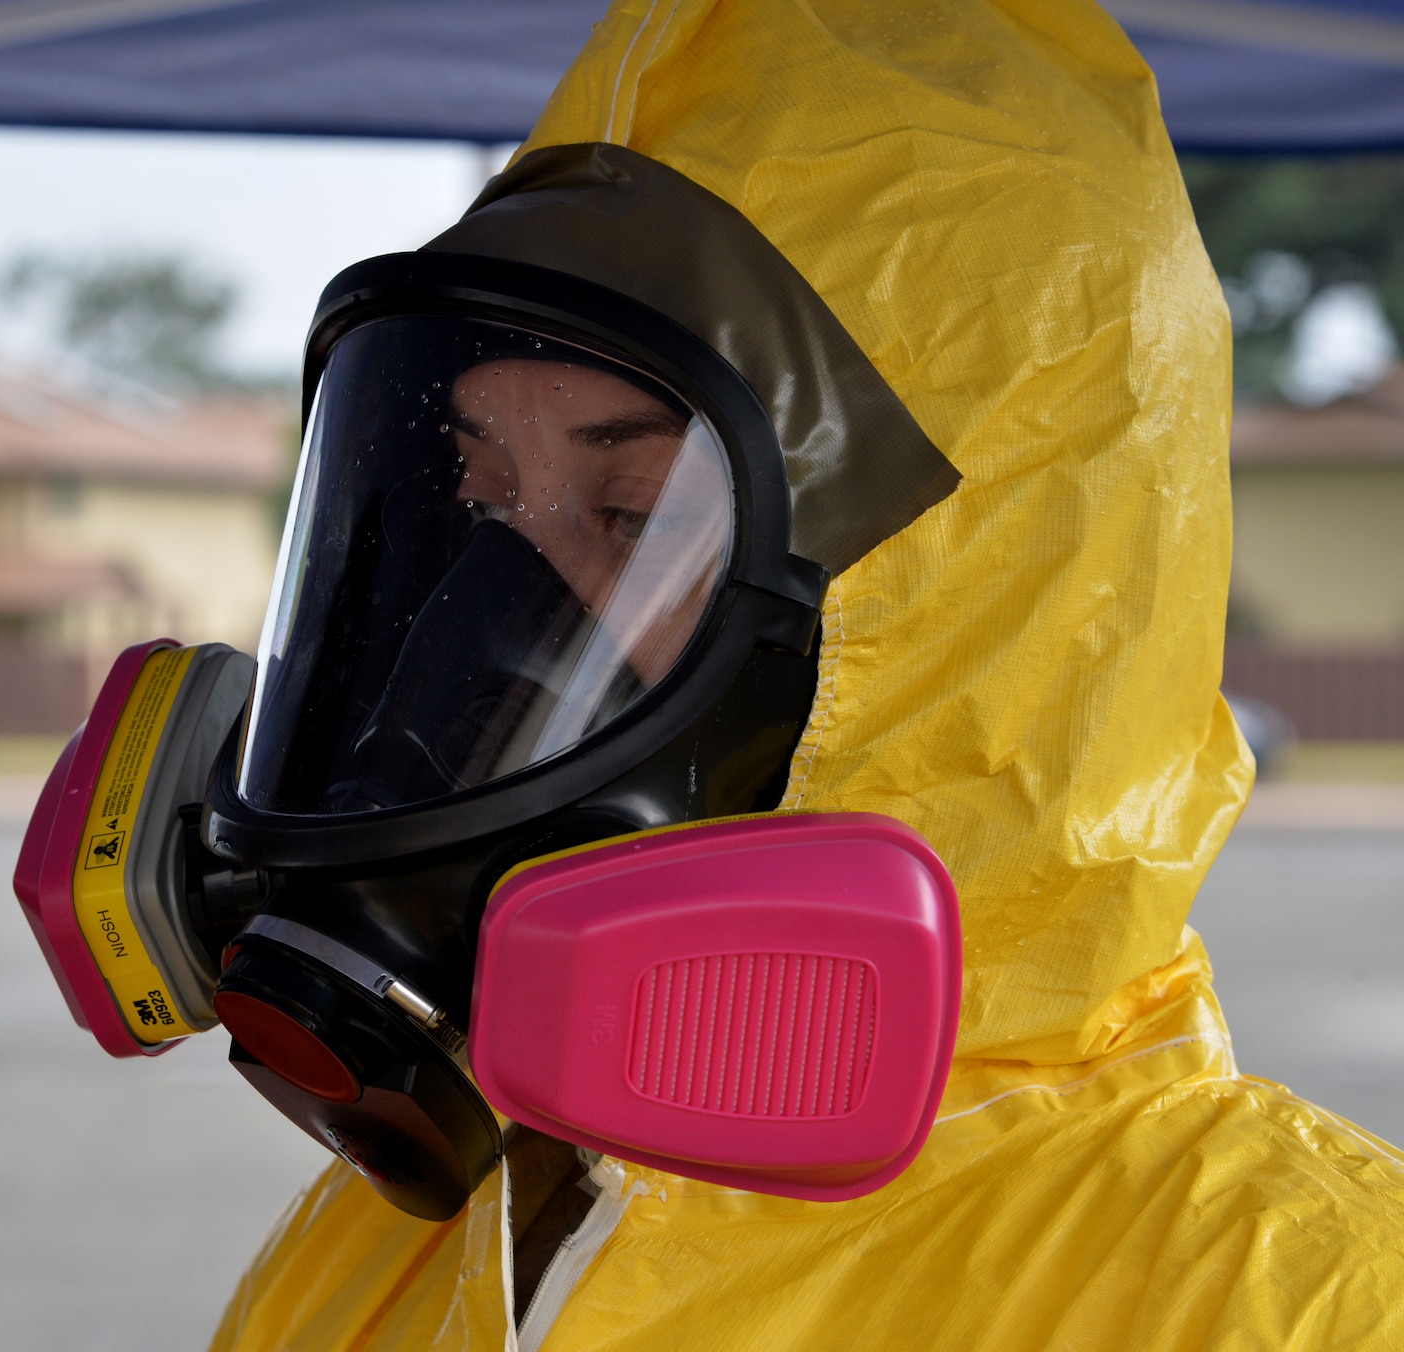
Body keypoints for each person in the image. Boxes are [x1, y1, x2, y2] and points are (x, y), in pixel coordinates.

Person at [202, 0, 1404, 1347]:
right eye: (483, 502)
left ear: (977, 594)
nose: (505, 623)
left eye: (639, 516)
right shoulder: (395, 1243)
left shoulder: (1292, 1300)